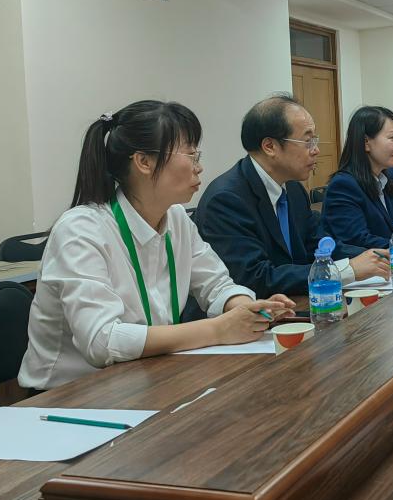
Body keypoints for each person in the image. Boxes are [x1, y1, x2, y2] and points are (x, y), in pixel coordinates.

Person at [19, 101, 294, 390]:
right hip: (71, 395)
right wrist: (218, 329)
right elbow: (102, 341)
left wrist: (248, 310)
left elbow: (216, 285)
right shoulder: (80, 230)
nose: (199, 167)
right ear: (144, 162)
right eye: (191, 154)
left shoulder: (176, 218)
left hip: (148, 375)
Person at [194, 94, 389, 299]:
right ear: (270, 147)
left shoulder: (294, 189)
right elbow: (255, 278)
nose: (316, 150)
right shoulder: (226, 199)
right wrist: (347, 270)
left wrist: (376, 256)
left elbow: (317, 244)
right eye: (307, 141)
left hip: (296, 304)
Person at [321, 106, 393, 250]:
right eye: (392, 138)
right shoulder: (343, 186)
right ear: (366, 142)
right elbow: (360, 241)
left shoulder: (385, 182)